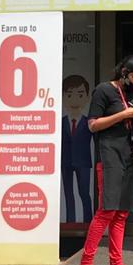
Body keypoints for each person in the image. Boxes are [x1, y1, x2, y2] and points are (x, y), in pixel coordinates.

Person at [76, 56, 133, 265]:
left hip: (130, 153)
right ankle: (85, 264)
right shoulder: (103, 90)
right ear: (123, 72)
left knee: (121, 212)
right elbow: (93, 125)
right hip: (109, 155)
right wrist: (123, 114)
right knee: (107, 210)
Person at [60, 74, 93, 224]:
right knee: (68, 193)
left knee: (84, 193)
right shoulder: (60, 123)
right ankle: (70, 222)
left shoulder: (89, 123)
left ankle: (88, 222)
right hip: (65, 161)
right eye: (69, 95)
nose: (74, 99)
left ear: (86, 98)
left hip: (83, 161)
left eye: (80, 95)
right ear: (63, 97)